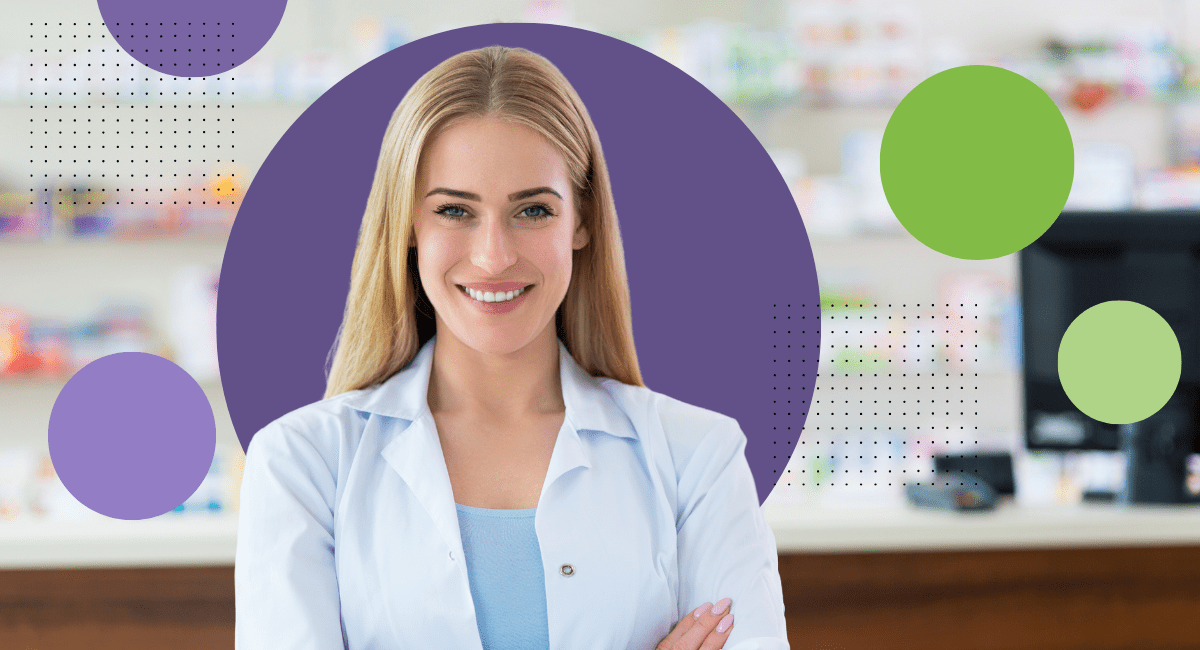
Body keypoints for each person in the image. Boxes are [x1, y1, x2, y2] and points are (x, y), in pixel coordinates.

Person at [234, 45, 788, 650]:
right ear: (407, 226)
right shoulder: (303, 463)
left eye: (532, 210)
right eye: (454, 210)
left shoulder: (697, 460)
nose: (494, 256)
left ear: (581, 221)